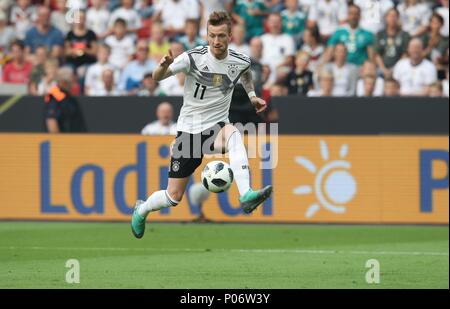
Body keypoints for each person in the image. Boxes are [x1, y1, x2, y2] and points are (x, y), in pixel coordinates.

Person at [131, 11, 273, 238]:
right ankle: (142, 208)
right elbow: (158, 77)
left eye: (221, 36)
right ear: (207, 35)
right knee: (172, 197)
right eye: (212, 35)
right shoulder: (193, 58)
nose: (216, 41)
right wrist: (162, 66)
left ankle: (246, 194)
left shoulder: (240, 60)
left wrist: (252, 95)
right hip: (188, 133)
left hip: (216, 128)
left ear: (230, 36)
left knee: (234, 134)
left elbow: (244, 74)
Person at [44, 67, 86, 133]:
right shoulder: (55, 96)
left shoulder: (69, 98)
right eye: (72, 81)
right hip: (62, 141)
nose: (74, 84)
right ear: (64, 82)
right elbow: (51, 122)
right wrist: (59, 141)